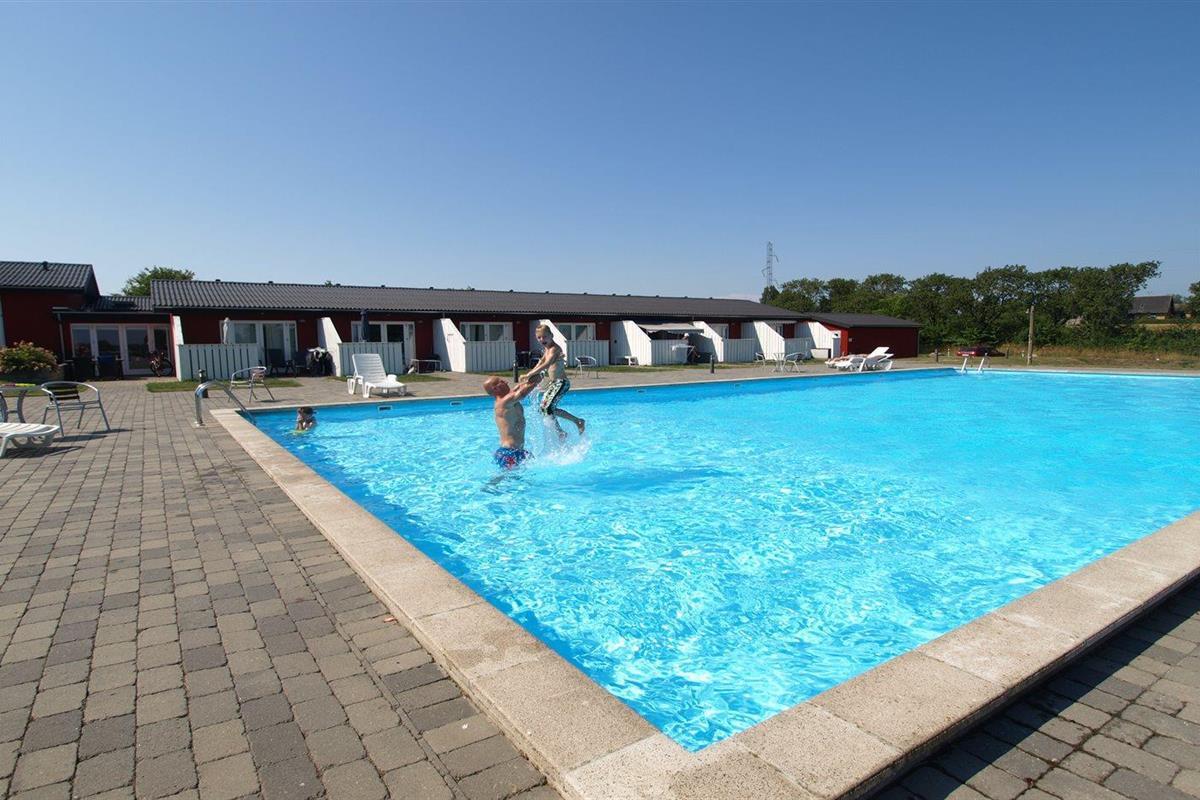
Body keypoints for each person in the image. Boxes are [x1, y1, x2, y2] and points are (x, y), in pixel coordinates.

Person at [521, 325, 586, 438]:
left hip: (561, 383)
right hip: (554, 384)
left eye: (544, 336)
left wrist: (529, 374)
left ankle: (574, 423)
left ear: (551, 335)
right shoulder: (546, 350)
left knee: (548, 408)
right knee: (543, 409)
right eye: (539, 337)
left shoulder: (554, 349)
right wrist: (531, 375)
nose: (542, 339)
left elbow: (547, 364)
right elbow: (540, 363)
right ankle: (563, 430)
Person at [482, 376, 539, 469]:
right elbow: (523, 393)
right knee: (506, 476)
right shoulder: (503, 402)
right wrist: (536, 381)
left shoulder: (507, 398)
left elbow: (519, 387)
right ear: (496, 388)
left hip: (517, 451)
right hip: (509, 453)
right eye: (501, 381)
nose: (506, 382)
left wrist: (530, 376)